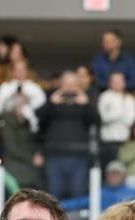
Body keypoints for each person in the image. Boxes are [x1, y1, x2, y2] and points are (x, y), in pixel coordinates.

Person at [37, 70, 99, 201]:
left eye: (73, 83)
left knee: (78, 192)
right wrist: (51, 102)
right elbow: (39, 120)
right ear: (60, 84)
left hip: (79, 155)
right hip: (55, 154)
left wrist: (86, 104)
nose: (70, 87)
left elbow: (97, 121)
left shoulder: (86, 99)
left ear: (78, 84)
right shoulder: (51, 98)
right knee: (54, 194)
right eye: (67, 83)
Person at [0, 60, 46, 188]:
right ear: (13, 71)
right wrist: (12, 99)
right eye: (18, 69)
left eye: (23, 69)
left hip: (30, 133)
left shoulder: (34, 87)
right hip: (14, 151)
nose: (20, 72)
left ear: (27, 71)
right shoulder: (6, 87)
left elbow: (43, 108)